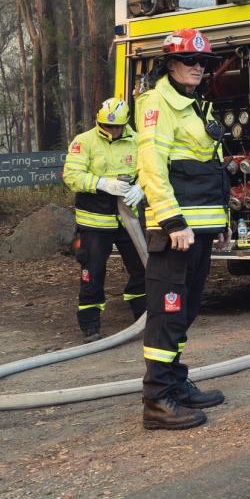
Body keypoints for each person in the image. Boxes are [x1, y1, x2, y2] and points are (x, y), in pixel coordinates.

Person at [136, 28, 229, 430]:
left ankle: (175, 383)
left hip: (201, 228)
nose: (197, 67)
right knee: (167, 314)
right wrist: (171, 219)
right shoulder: (157, 104)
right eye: (189, 60)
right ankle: (157, 400)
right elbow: (152, 166)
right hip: (175, 230)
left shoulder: (196, 106)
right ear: (170, 64)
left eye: (202, 62)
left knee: (186, 310)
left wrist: (221, 223)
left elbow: (211, 169)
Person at [62, 98, 146, 342]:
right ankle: (90, 324)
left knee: (141, 267)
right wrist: (102, 184)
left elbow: (153, 169)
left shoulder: (138, 141)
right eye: (106, 126)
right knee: (93, 270)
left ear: (126, 123)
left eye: (116, 127)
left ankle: (143, 317)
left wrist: (141, 187)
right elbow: (72, 175)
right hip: (95, 220)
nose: (111, 131)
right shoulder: (84, 141)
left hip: (128, 218)